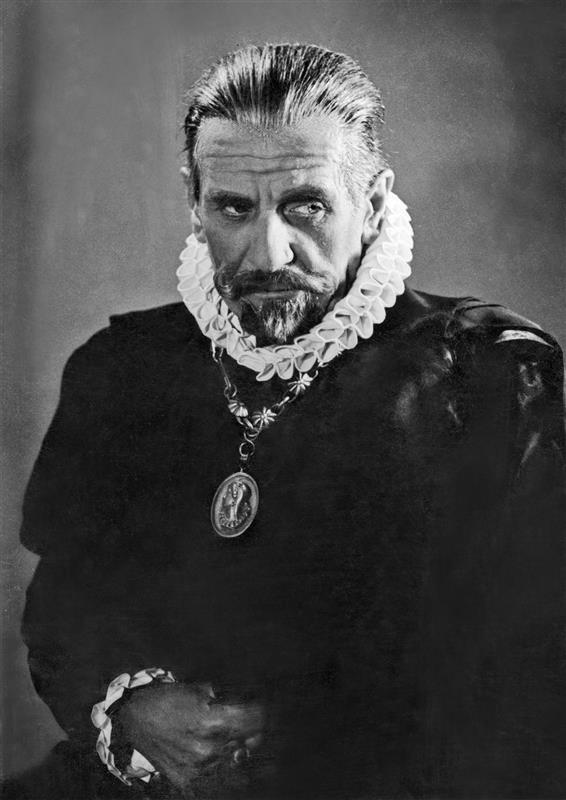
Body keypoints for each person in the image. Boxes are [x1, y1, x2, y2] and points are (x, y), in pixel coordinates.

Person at [7, 43, 565, 800]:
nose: (269, 253)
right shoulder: (122, 369)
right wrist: (133, 711)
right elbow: (64, 610)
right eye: (234, 208)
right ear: (195, 201)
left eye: (307, 206)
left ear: (372, 204)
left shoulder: (491, 379)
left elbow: (531, 683)